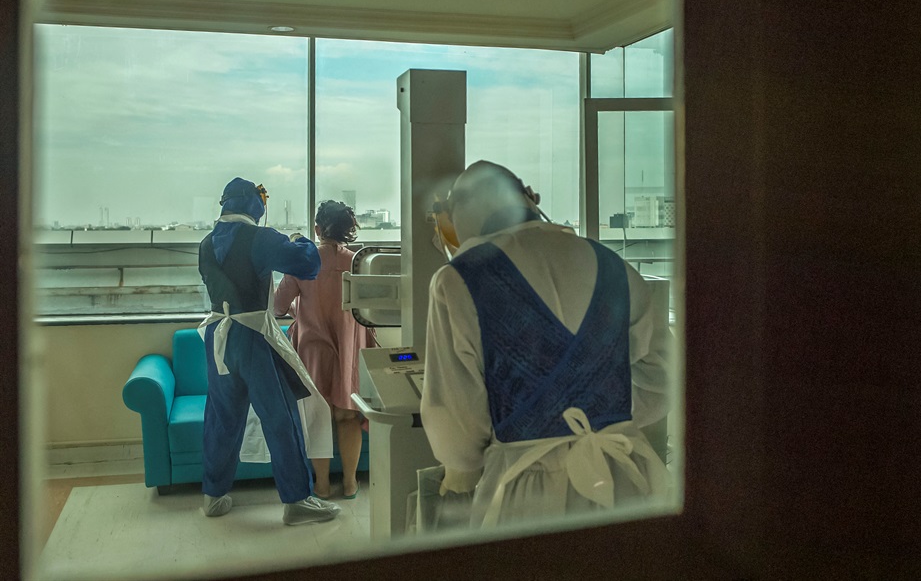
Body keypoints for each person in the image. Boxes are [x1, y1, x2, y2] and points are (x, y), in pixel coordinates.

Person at [420, 160, 671, 528]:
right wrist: (602, 414)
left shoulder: (458, 280)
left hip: (523, 489)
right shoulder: (613, 265)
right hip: (622, 475)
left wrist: (464, 467)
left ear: (457, 215)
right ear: (530, 196)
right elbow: (664, 376)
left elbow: (455, 415)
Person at [197, 177, 341, 526]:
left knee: (222, 418)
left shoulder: (206, 242)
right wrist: (297, 238)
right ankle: (298, 501)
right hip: (251, 336)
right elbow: (308, 264)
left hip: (218, 334)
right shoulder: (258, 238)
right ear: (254, 205)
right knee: (281, 416)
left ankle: (213, 495)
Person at [274, 200, 377, 500]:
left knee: (318, 417)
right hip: (349, 346)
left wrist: (298, 307)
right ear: (347, 230)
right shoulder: (359, 262)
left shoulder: (302, 262)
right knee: (348, 416)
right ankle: (350, 482)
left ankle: (320, 484)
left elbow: (279, 307)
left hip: (312, 350)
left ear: (317, 229)